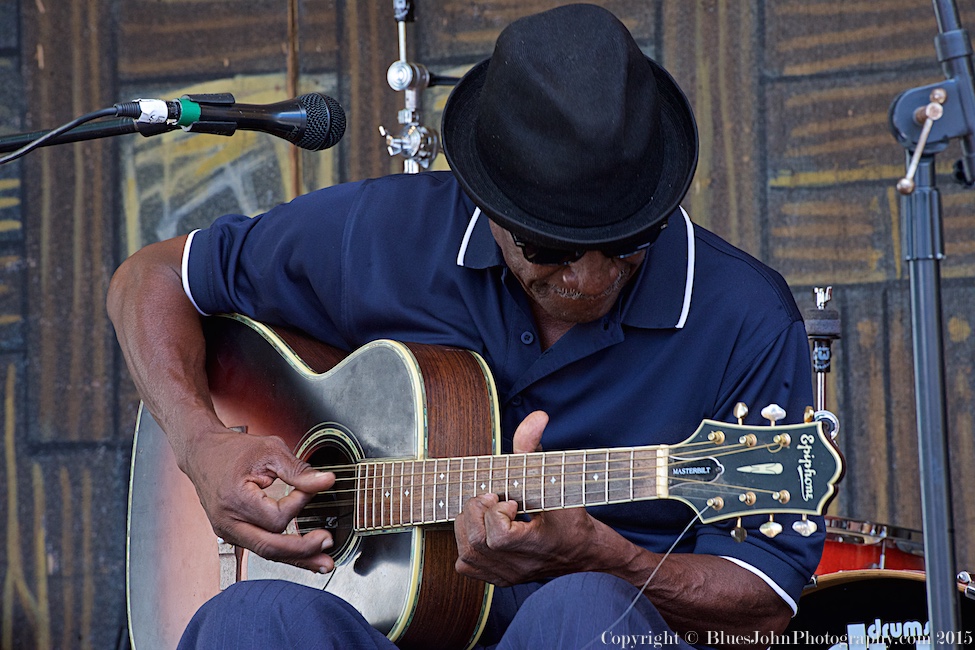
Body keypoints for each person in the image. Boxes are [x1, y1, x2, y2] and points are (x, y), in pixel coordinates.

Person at [108, 4, 825, 649]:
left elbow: (764, 598)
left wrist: (604, 557)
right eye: (549, 251)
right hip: (376, 627)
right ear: (486, 208)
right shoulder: (386, 233)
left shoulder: (743, 317)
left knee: (581, 611)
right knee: (248, 622)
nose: (591, 280)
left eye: (629, 244)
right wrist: (201, 445)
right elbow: (152, 278)